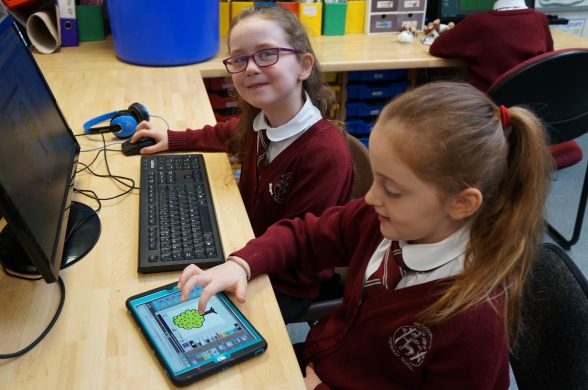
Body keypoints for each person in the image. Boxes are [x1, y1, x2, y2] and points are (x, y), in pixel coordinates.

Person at [177, 81, 554, 389]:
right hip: (322, 358)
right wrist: (243, 263)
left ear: (461, 203)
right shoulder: (386, 221)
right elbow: (308, 234)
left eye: (392, 187)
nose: (371, 196)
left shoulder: (472, 323)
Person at [130, 6, 353, 323]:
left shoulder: (324, 153)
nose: (250, 68)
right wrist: (174, 138)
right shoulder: (263, 121)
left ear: (304, 65)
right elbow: (227, 132)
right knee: (163, 274)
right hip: (250, 246)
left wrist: (242, 262)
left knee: (177, 312)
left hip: (288, 281)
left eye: (266, 54)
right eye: (239, 59)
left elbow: (299, 239)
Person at [429, 0, 553, 92]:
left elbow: (436, 48)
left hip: (489, 111)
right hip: (531, 111)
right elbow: (548, 54)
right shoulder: (540, 18)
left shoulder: (477, 21)